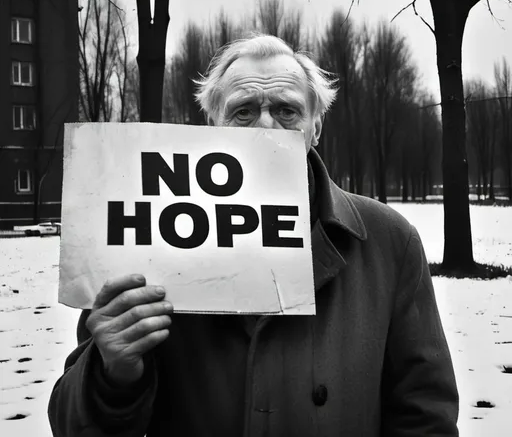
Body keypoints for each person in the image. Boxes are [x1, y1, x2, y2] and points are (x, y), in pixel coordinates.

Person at [48, 35, 459, 436]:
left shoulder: (388, 243)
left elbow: (424, 415)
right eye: (243, 111)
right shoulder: (145, 240)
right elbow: (73, 425)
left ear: (316, 127)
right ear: (214, 124)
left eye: (287, 110)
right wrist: (111, 374)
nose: (265, 125)